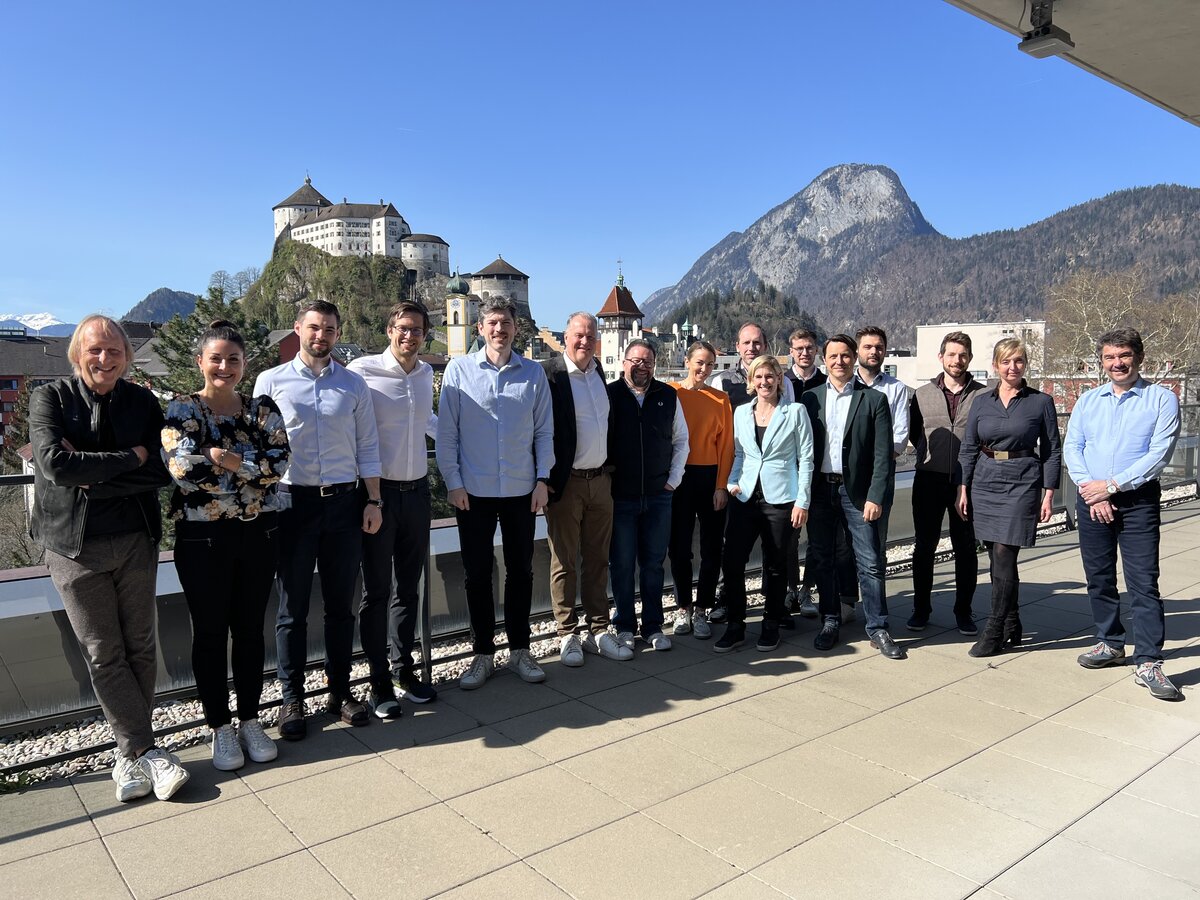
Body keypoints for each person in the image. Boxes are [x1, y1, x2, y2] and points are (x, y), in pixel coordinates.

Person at [29, 314, 190, 801]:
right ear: (78, 354)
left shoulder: (141, 402)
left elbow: (166, 469)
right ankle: (145, 750)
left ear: (127, 356)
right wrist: (130, 457)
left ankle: (131, 756)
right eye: (95, 350)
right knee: (104, 652)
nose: (105, 358)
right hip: (73, 546)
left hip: (135, 539)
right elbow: (55, 465)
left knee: (140, 646)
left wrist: (93, 477)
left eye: (114, 350)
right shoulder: (49, 398)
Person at [162, 320, 290, 770]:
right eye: (215, 358)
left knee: (252, 629)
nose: (224, 366)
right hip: (202, 538)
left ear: (244, 364)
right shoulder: (182, 409)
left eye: (233, 359)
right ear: (200, 361)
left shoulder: (260, 408)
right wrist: (245, 468)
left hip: (259, 533)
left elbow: (279, 464)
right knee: (211, 632)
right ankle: (220, 727)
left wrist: (222, 458)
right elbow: (182, 469)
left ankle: (251, 719)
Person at [253, 301, 383, 739]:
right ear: (298, 329)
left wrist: (374, 501)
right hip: (292, 505)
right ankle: (292, 700)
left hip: (345, 505)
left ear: (336, 332)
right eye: (314, 327)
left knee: (340, 606)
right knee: (291, 609)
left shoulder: (353, 384)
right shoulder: (270, 382)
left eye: (329, 329)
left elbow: (368, 446)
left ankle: (339, 692)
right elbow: (258, 450)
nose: (321, 335)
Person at [437, 296, 554, 690]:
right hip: (474, 491)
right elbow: (447, 433)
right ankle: (482, 654)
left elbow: (544, 432)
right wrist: (452, 482)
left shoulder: (533, 374)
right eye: (492, 323)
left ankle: (520, 649)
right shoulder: (459, 370)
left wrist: (543, 480)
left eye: (505, 322)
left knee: (522, 571)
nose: (499, 330)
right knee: (476, 574)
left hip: (522, 489)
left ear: (515, 328)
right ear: (480, 328)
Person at [1065, 328, 1182, 699]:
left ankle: (1148, 661)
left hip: (1137, 502)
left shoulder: (1162, 400)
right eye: (1109, 358)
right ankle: (1110, 643)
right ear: (1101, 362)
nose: (1117, 363)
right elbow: (1074, 447)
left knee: (1143, 583)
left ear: (1139, 357)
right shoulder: (1088, 401)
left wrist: (1111, 486)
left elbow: (1158, 455)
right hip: (1091, 498)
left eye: (1124, 356)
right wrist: (1092, 490)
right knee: (1098, 577)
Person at [347, 301, 440, 714]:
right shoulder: (362, 372)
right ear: (389, 330)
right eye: (403, 328)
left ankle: (404, 671)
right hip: (377, 495)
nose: (409, 336)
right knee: (377, 591)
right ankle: (378, 681)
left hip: (418, 492)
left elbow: (429, 424)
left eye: (417, 330)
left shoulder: (426, 374)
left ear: (425, 334)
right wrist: (370, 496)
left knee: (408, 587)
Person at [800, 334, 905, 659]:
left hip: (857, 493)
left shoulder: (873, 399)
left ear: (854, 358)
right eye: (833, 356)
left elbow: (882, 454)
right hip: (820, 491)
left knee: (870, 562)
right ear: (824, 360)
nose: (840, 361)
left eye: (845, 355)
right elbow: (802, 450)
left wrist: (875, 496)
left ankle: (877, 627)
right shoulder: (810, 399)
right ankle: (830, 620)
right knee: (825, 559)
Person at [956, 338, 1061, 657]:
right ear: (995, 366)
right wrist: (963, 487)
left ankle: (994, 630)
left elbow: (1053, 449)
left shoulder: (1040, 402)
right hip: (985, 482)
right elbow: (969, 446)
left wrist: (1049, 492)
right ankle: (1013, 621)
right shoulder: (982, 401)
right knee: (996, 555)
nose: (1012, 367)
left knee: (1004, 554)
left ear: (1025, 364)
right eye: (1006, 361)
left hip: (1022, 481)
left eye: (1018, 361)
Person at [541, 312, 631, 666]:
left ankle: (598, 628)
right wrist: (544, 481)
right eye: (578, 335)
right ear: (565, 337)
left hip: (600, 482)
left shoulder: (599, 375)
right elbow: (542, 430)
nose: (584, 341)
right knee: (563, 560)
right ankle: (567, 634)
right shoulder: (550, 375)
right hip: (567, 484)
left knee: (598, 560)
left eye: (590, 336)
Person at [714, 355, 813, 653]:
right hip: (745, 497)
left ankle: (770, 624)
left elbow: (806, 458)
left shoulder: (795, 412)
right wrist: (732, 481)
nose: (764, 382)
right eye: (758, 377)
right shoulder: (741, 413)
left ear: (779, 379)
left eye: (770, 376)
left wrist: (802, 502)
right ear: (751, 381)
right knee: (732, 562)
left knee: (775, 565)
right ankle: (736, 625)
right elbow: (741, 454)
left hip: (781, 499)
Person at [706, 321, 792, 623]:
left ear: (765, 346)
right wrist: (723, 481)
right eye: (746, 343)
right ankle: (726, 601)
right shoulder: (722, 382)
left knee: (776, 551)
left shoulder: (781, 381)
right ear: (737, 346)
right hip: (735, 479)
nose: (751, 348)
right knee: (731, 548)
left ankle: (776, 606)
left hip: (773, 484)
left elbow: (790, 434)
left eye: (757, 342)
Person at [608, 339, 690, 651]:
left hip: (659, 496)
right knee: (623, 563)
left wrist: (673, 480)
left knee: (654, 564)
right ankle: (625, 626)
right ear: (623, 362)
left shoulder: (667, 395)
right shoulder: (609, 395)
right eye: (636, 360)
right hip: (621, 497)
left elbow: (681, 440)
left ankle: (653, 626)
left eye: (648, 361)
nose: (642, 366)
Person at [907, 331, 986, 635]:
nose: (957, 360)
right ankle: (920, 610)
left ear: (970, 358)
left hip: (967, 482)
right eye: (951, 354)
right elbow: (915, 434)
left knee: (965, 548)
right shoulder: (922, 394)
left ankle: (963, 611)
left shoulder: (981, 395)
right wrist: (932, 454)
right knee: (924, 547)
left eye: (963, 354)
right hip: (928, 479)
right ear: (941, 357)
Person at [668, 341, 734, 640]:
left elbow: (727, 447)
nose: (704, 369)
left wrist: (721, 485)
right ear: (687, 361)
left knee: (711, 548)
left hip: (709, 476)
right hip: (679, 478)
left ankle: (702, 608)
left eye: (709, 364)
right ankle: (683, 606)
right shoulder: (670, 393)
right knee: (679, 547)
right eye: (699, 362)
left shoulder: (720, 399)